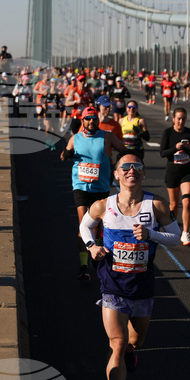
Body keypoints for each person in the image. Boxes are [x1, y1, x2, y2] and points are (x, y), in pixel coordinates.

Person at [80, 154, 179, 380]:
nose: (131, 170)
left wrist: (151, 235)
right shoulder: (103, 205)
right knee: (118, 343)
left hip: (143, 287)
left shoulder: (155, 204)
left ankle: (133, 350)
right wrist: (91, 246)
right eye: (125, 167)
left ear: (143, 174)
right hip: (112, 286)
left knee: (136, 341)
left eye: (137, 167)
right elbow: (84, 226)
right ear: (116, 175)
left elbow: (177, 236)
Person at [60, 106, 126, 280]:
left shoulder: (108, 136)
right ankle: (83, 266)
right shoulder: (75, 138)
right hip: (81, 186)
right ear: (82, 121)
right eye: (88, 118)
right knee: (84, 225)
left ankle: (94, 252)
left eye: (94, 118)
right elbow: (63, 155)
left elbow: (124, 151)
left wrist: (121, 168)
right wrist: (67, 154)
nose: (91, 121)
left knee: (98, 226)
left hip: (101, 187)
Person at [160, 106, 190, 245]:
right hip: (172, 172)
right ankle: (173, 230)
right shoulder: (168, 133)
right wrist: (175, 148)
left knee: (187, 201)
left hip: (187, 171)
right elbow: (162, 153)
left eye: (183, 119)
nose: (181, 122)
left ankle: (186, 232)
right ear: (173, 119)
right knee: (174, 204)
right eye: (178, 119)